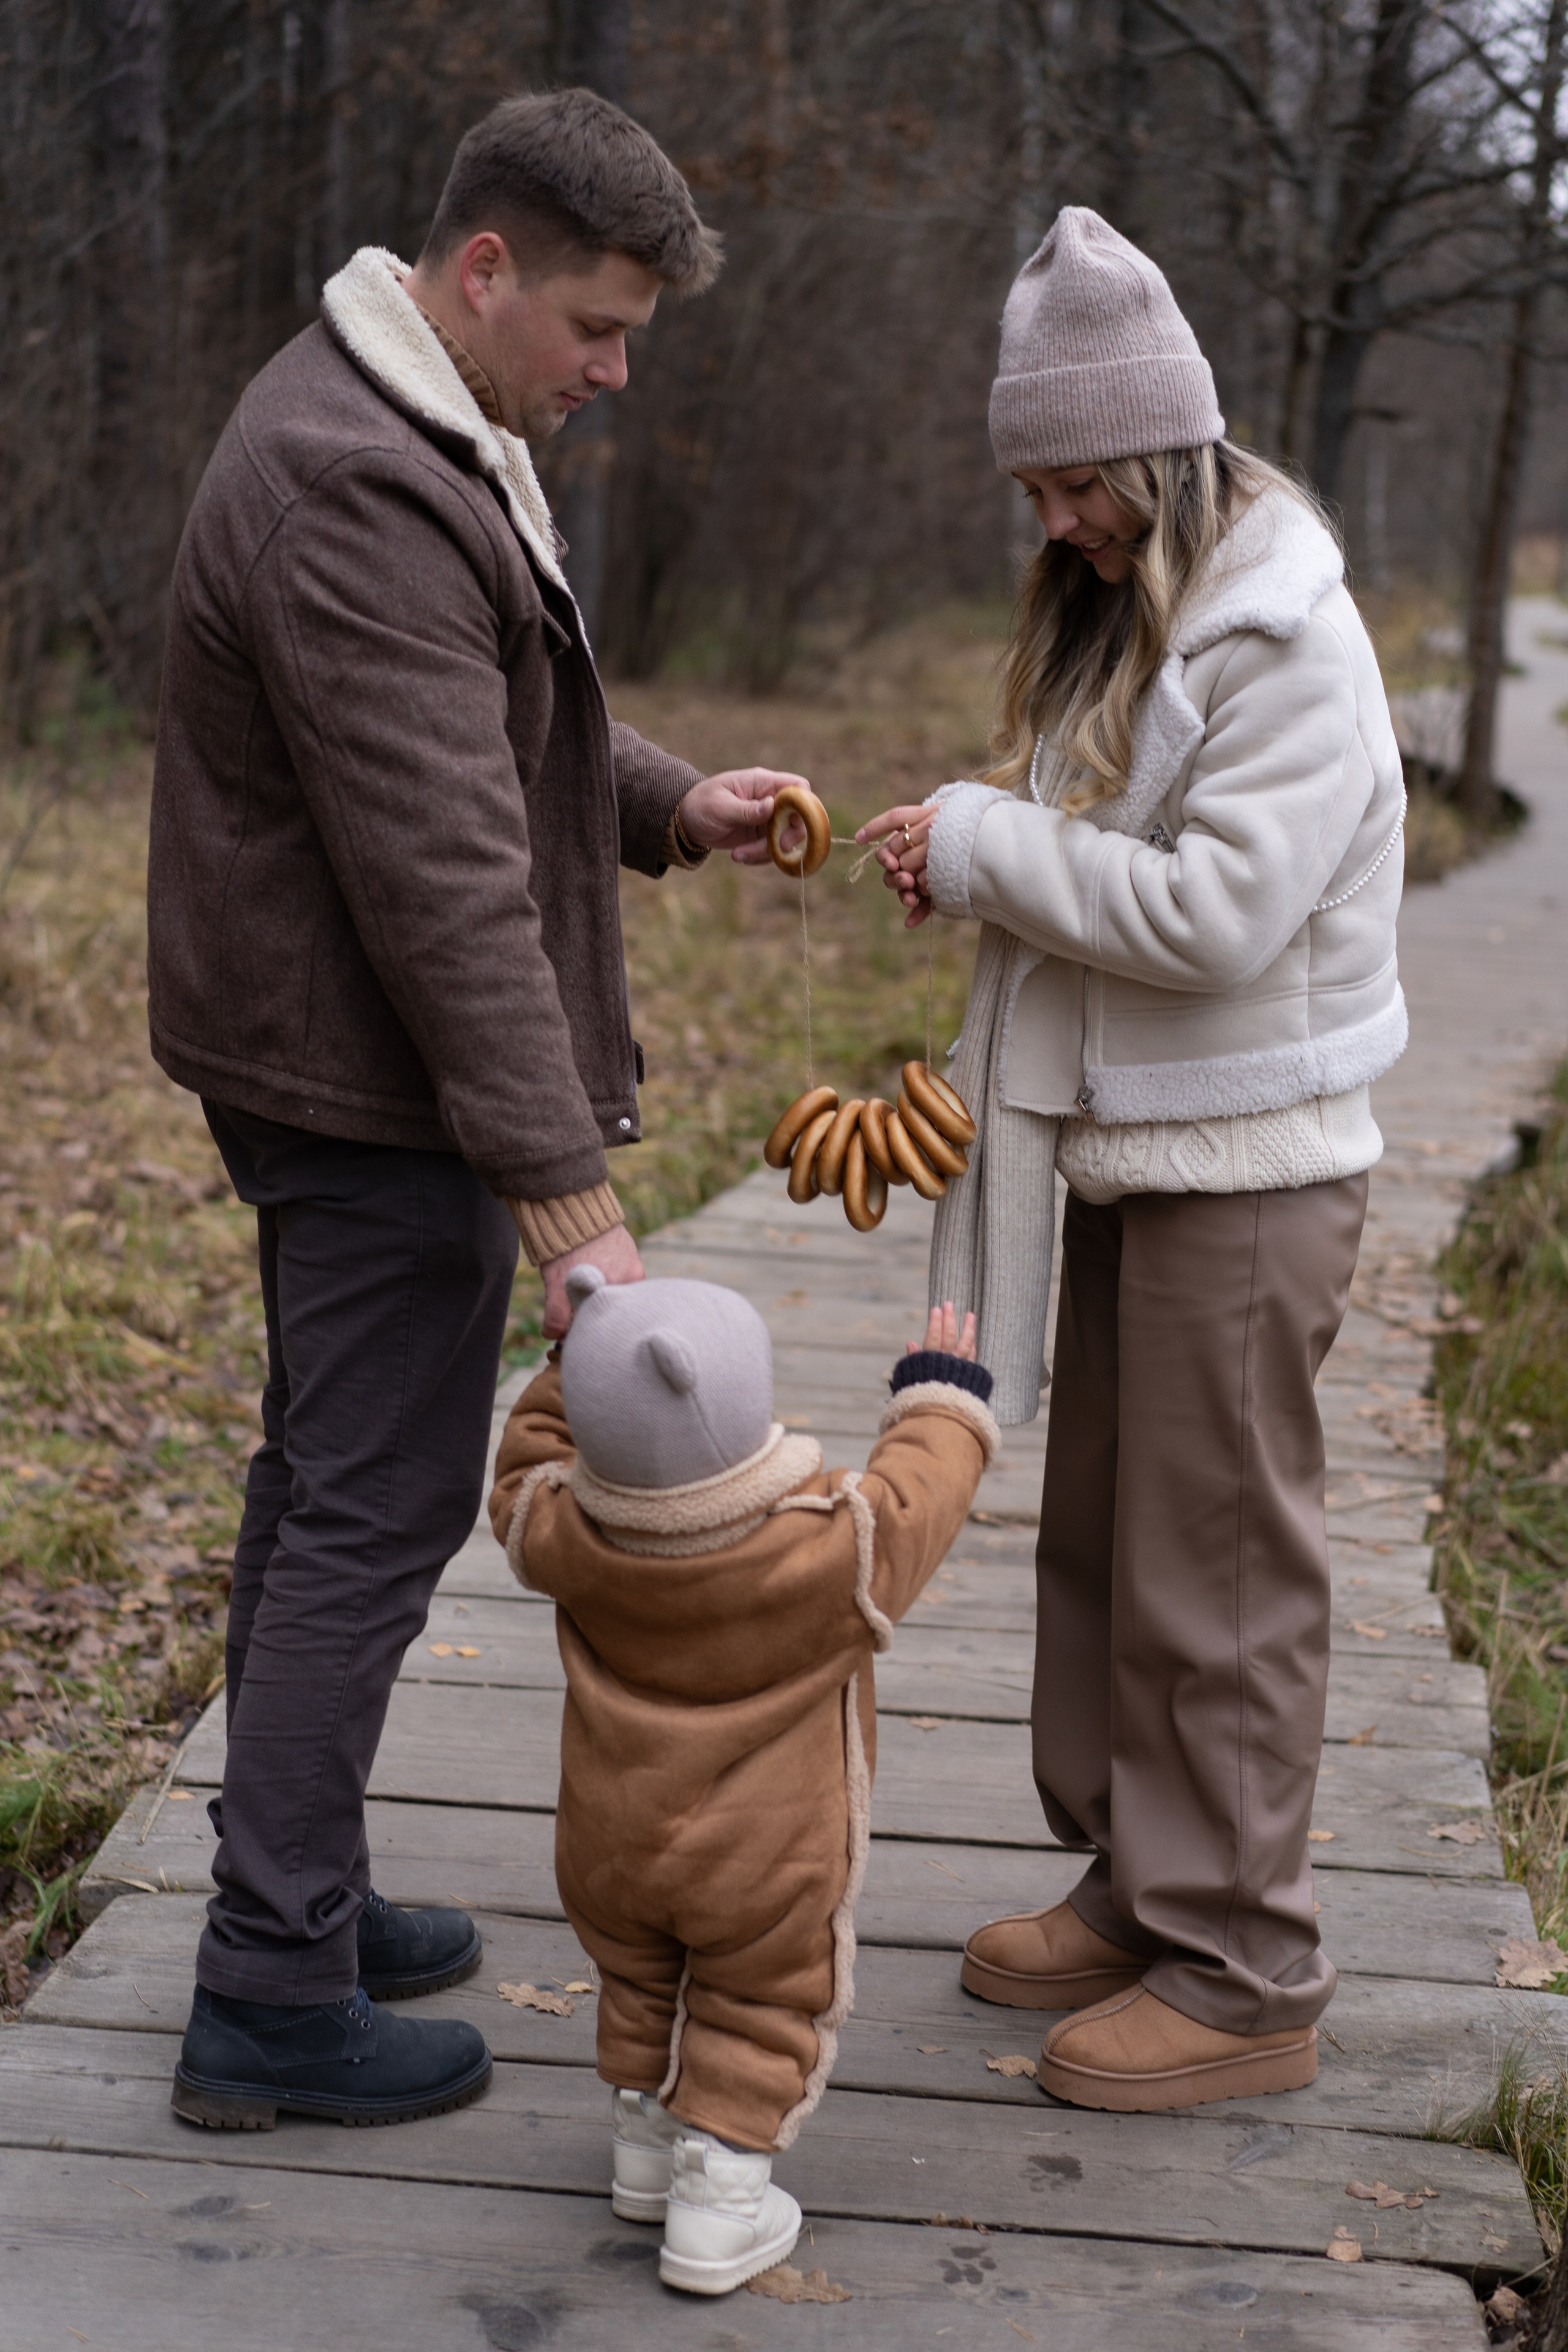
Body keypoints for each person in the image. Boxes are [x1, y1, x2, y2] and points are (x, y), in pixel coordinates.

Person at [160, 89, 812, 2132]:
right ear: (485, 271)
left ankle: (301, 1887)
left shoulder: (421, 426)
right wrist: (569, 1205)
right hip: (365, 1089)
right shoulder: (356, 483)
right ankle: (267, 1995)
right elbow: (443, 879)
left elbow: (499, 729)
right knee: (371, 1511)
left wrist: (664, 801)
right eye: (598, 328)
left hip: (355, 1068)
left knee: (321, 1490)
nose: (613, 375)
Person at [859, 208, 1406, 2113]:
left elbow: (1215, 918)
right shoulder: (1151, 617)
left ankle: (1248, 1966)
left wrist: (994, 847)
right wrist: (986, 823)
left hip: (1251, 1178)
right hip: (1142, 1156)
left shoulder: (1292, 643)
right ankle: (1142, 1881)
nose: (1054, 524)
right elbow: (1107, 835)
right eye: (1035, 486)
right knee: (1108, 1546)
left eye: (1074, 483)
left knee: (1221, 1574)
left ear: (1158, 457)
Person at [487, 1275, 998, 2294]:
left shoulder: (560, 1530)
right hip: (763, 1864)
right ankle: (719, 2202)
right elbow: (915, 1499)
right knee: (760, 2004)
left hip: (609, 1844)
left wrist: (569, 1369)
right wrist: (939, 1396)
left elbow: (525, 1464)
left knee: (640, 1977)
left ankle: (642, 2147)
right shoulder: (826, 1549)